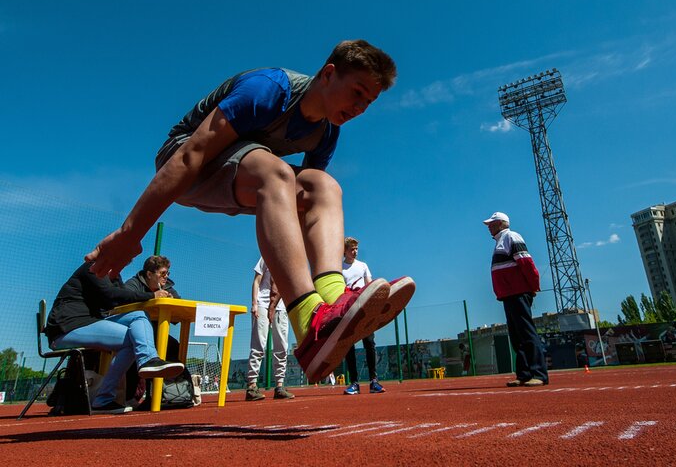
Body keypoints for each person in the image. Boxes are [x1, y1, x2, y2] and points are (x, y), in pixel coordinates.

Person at [85, 40, 414, 382]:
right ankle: (309, 317)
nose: (360, 107)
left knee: (325, 186)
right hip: (185, 163)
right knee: (277, 173)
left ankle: (332, 302)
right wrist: (130, 233)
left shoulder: (326, 133)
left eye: (369, 102)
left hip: (248, 177)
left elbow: (306, 211)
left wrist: (288, 281)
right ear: (329, 74)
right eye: (357, 92)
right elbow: (190, 155)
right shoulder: (270, 89)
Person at [45, 262, 185, 414]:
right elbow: (111, 296)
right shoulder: (94, 267)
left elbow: (122, 298)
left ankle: (147, 360)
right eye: (129, 255)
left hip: (91, 322)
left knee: (139, 315)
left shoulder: (115, 275)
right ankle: (106, 396)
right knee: (134, 337)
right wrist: (152, 295)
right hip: (67, 327)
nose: (131, 260)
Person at [482, 211, 549, 387]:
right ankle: (524, 374)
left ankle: (539, 374)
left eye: (492, 223)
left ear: (502, 223)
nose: (489, 227)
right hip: (509, 295)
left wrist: (533, 286)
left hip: (519, 292)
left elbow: (526, 263)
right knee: (516, 336)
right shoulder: (500, 242)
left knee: (526, 333)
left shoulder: (511, 236)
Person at [123, 255, 182, 406]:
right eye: (163, 273)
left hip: (157, 331)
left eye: (168, 273)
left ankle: (168, 393)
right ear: (149, 274)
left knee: (174, 346)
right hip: (133, 331)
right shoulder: (134, 283)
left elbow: (180, 310)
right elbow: (124, 297)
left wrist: (173, 302)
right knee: (132, 348)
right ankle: (129, 395)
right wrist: (152, 296)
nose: (166, 277)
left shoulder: (167, 286)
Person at [246, 256, 295, 401]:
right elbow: (257, 280)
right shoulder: (266, 256)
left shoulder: (290, 259)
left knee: (281, 347)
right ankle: (252, 386)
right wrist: (254, 303)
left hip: (281, 307)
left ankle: (279, 386)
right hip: (262, 304)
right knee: (258, 345)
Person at [341, 237, 384, 395]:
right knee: (349, 346)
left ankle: (374, 382)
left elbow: (370, 286)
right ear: (344, 250)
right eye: (352, 249)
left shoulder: (363, 266)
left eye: (356, 249)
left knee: (369, 343)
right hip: (348, 311)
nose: (355, 252)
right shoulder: (339, 269)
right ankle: (354, 383)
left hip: (364, 310)